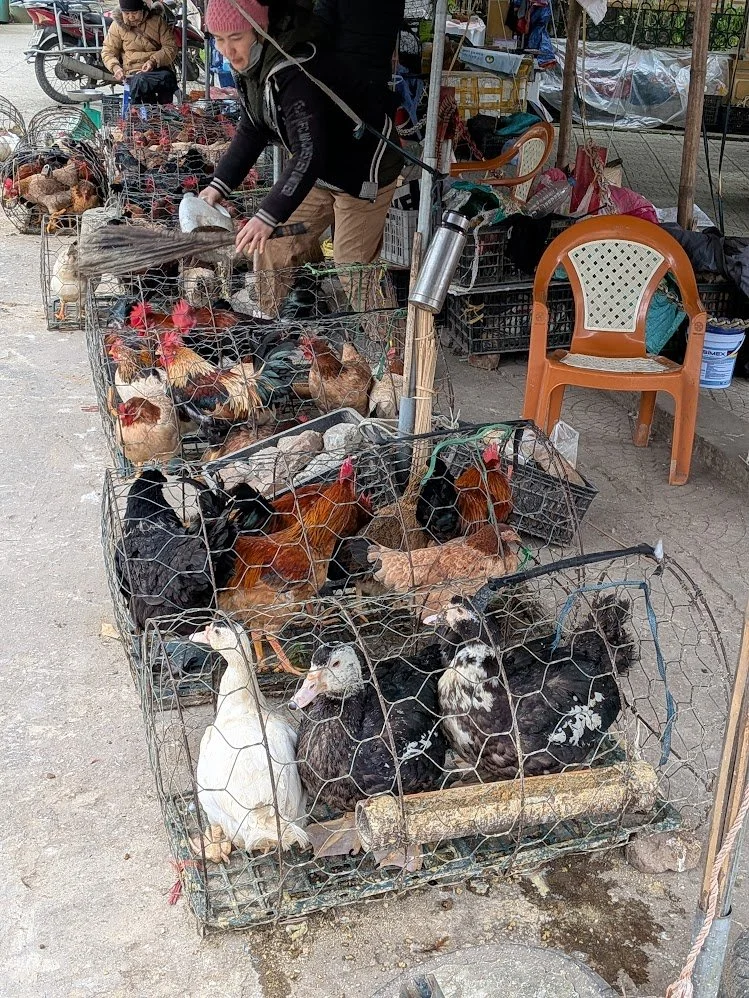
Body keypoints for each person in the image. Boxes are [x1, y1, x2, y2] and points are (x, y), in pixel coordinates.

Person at [200, 0, 405, 315]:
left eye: (236, 37)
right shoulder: (251, 65)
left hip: (362, 168)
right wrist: (218, 185)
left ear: (259, 29)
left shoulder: (291, 69)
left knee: (352, 264)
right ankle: (272, 333)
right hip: (321, 172)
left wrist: (267, 214)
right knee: (270, 244)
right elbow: (253, 128)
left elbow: (309, 151)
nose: (228, 50)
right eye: (219, 38)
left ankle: (391, 351)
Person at [102, 0, 178, 105]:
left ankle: (160, 114)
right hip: (133, 72)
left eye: (134, 13)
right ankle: (145, 115)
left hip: (158, 69)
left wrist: (153, 62)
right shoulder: (117, 26)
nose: (131, 17)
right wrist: (116, 68)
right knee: (141, 83)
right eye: (127, 14)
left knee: (167, 80)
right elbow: (108, 51)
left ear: (142, 10)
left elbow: (170, 47)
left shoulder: (157, 21)